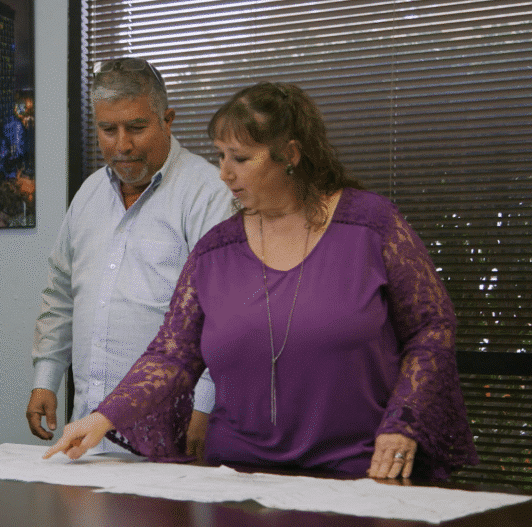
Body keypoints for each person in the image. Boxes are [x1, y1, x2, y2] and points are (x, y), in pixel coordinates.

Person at [45, 82, 478, 480]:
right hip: (237, 475)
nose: (224, 173)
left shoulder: (372, 226)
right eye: (220, 156)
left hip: (362, 470)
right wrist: (102, 417)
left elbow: (431, 329)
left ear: (290, 154)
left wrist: (405, 423)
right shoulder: (214, 251)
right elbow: (172, 355)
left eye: (241, 158)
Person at [27, 57, 234, 456]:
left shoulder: (208, 194)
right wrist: (46, 377)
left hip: (175, 432)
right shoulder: (88, 194)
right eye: (108, 129)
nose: (122, 145)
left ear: (167, 119)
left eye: (136, 128)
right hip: (89, 434)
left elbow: (221, 314)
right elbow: (61, 294)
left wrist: (205, 407)